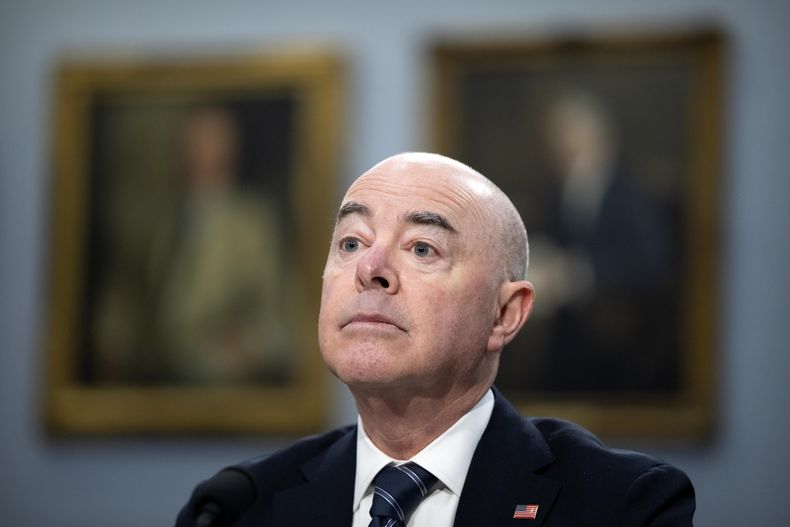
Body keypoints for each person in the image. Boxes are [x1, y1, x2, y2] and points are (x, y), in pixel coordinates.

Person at [175, 152, 694, 526]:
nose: (371, 269)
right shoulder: (237, 508)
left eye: (422, 248)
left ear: (505, 314)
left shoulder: (625, 507)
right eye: (351, 242)